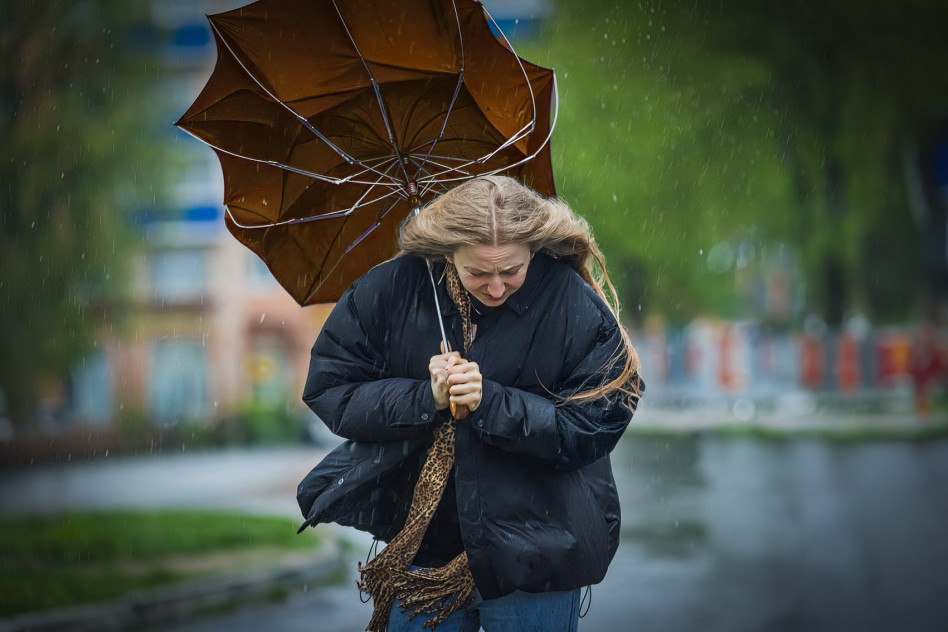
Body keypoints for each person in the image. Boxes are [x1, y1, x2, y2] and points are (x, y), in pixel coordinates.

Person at [298, 176, 643, 632]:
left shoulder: (568, 301)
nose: (496, 288)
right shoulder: (391, 290)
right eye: (478, 273)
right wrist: (426, 398)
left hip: (537, 557)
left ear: (533, 249)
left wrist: (492, 403)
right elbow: (331, 389)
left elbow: (597, 423)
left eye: (512, 270)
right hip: (423, 557)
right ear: (448, 253)